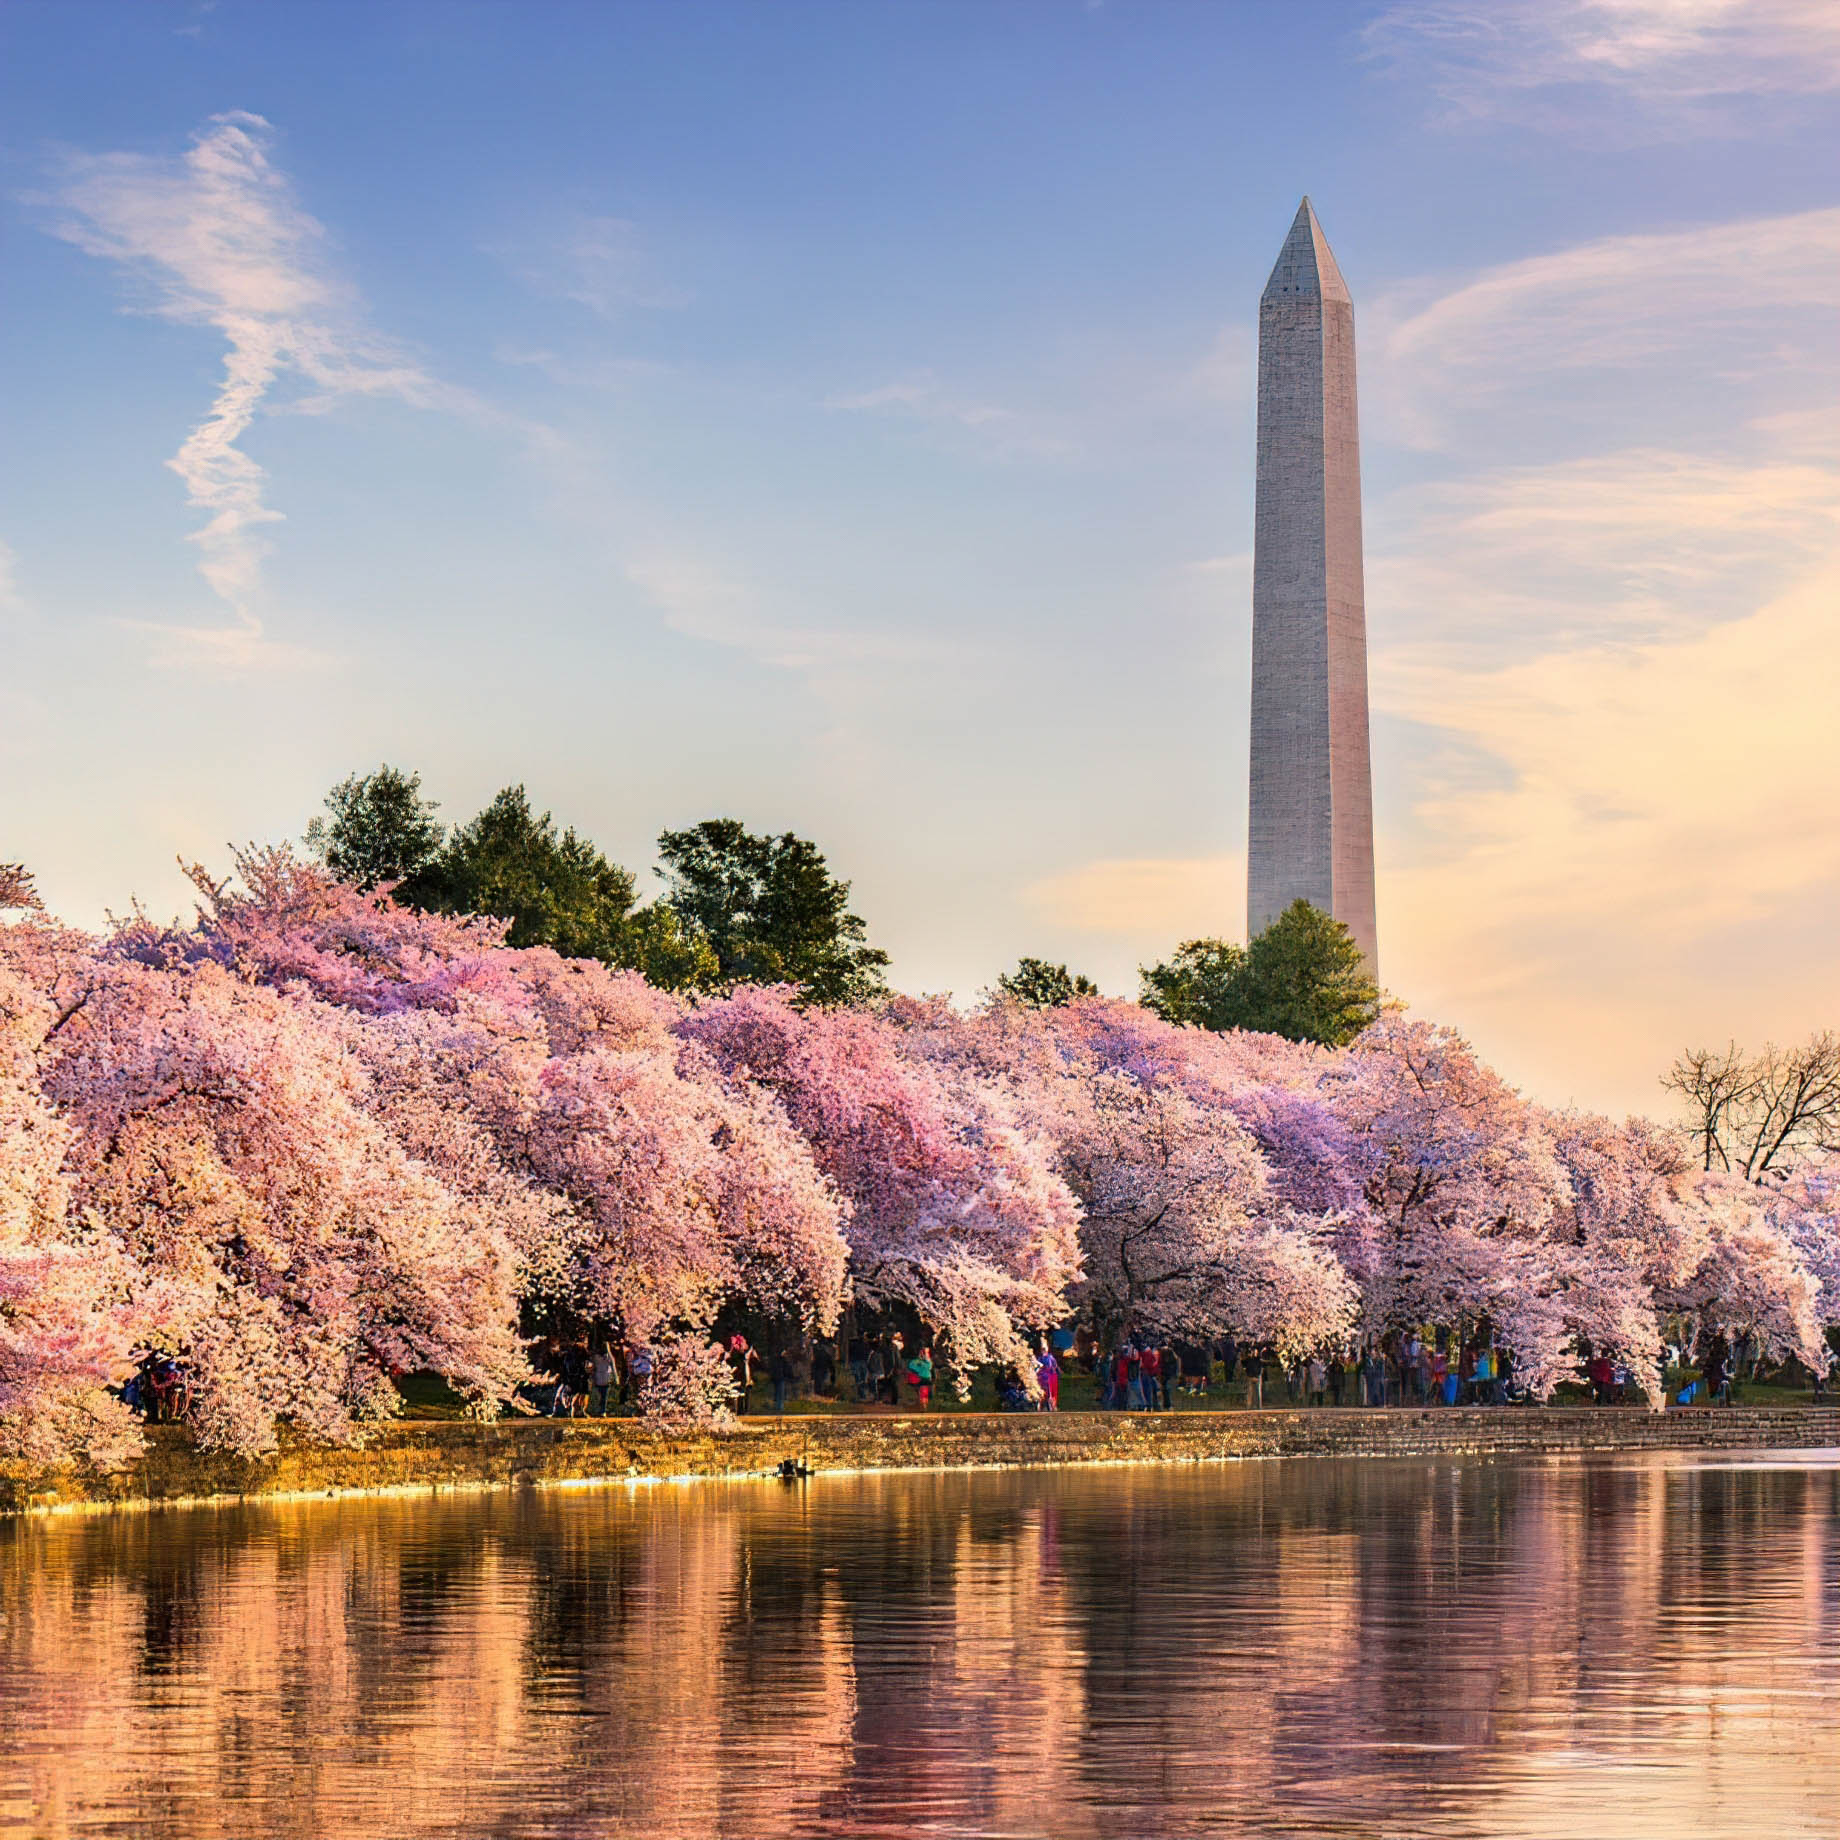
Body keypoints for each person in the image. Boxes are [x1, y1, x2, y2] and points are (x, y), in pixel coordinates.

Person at [906, 1345, 934, 1410]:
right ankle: (922, 1405)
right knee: (922, 1392)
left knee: (925, 1392)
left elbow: (929, 1366)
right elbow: (911, 1366)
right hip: (920, 1378)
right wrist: (919, 1369)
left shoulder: (927, 1361)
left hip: (926, 1378)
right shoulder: (916, 1361)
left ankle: (924, 1404)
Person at [1036, 1342, 1061, 1412]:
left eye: (1045, 1347)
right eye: (1042, 1348)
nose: (1043, 1349)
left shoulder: (1050, 1357)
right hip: (1042, 1378)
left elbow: (1052, 1366)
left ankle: (1052, 1406)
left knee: (1050, 1393)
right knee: (1043, 1393)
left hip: (1050, 1377)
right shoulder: (1040, 1358)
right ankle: (1042, 1406)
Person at [1139, 1343, 1163, 1411]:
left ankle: (1149, 1405)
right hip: (1154, 1374)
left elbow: (1147, 1364)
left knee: (1148, 1391)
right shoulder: (1156, 1353)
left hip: (1148, 1374)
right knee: (1156, 1391)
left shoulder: (1146, 1354)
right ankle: (1156, 1406)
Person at [848, 1333, 870, 1402]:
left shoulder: (854, 1345)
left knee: (859, 1380)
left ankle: (861, 1395)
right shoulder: (865, 1345)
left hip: (858, 1363)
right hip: (860, 1363)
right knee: (860, 1380)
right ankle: (861, 1395)